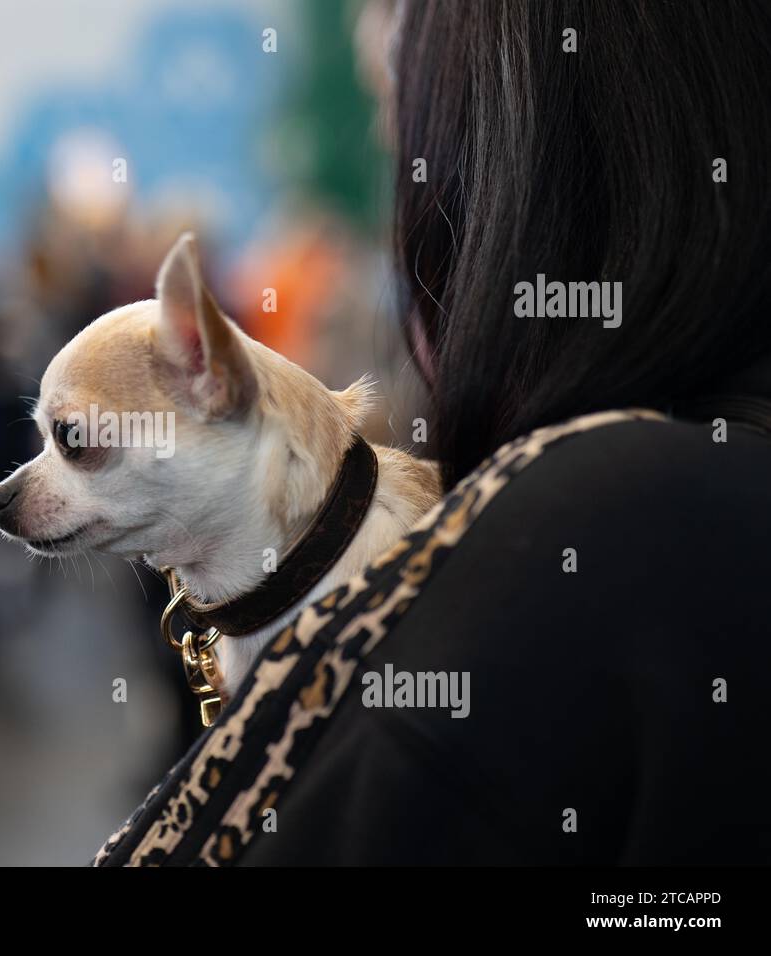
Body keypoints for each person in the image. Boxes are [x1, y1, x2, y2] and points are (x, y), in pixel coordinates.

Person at [95, 0, 771, 866]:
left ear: (503, 158)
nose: (398, 191)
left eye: (402, 118)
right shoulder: (671, 495)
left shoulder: (599, 514)